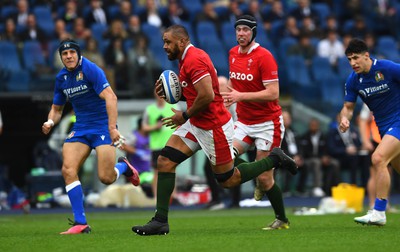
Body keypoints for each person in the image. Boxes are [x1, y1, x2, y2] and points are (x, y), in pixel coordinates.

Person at [131, 24, 297, 236]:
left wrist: (184, 115)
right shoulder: (185, 59)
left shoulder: (194, 59)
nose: (164, 46)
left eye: (168, 42)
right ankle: (160, 221)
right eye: (164, 41)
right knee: (165, 161)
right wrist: (172, 94)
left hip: (213, 126)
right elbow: (196, 93)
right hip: (197, 123)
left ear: (181, 42)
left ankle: (274, 159)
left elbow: (207, 95)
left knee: (229, 180)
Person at [41, 38, 140, 234]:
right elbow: (57, 109)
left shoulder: (91, 69)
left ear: (78, 54)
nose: (68, 56)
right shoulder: (61, 78)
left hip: (102, 127)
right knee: (68, 170)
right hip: (81, 128)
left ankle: (123, 167)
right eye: (64, 54)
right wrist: (50, 121)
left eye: (71, 53)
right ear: (61, 57)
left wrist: (112, 128)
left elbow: (111, 97)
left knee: (106, 177)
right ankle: (81, 222)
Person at [220, 15, 293, 230]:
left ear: (253, 32)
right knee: (224, 159)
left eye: (245, 30)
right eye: (238, 30)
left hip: (268, 124)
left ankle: (282, 219)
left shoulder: (264, 56)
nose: (241, 33)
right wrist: (226, 100)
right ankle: (268, 165)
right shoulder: (233, 53)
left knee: (265, 180)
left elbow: (273, 93)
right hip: (244, 121)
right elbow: (234, 82)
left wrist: (240, 97)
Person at [339, 38, 400, 226]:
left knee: (378, 159)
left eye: (356, 58)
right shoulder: (353, 80)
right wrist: (344, 118)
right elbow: (348, 107)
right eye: (349, 59)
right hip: (384, 127)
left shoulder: (387, 68)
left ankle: (379, 211)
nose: (353, 63)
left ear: (367, 55)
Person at [123, 117, 153, 197]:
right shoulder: (134, 135)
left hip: (148, 171)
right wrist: (136, 151)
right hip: (136, 171)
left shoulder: (152, 136)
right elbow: (123, 145)